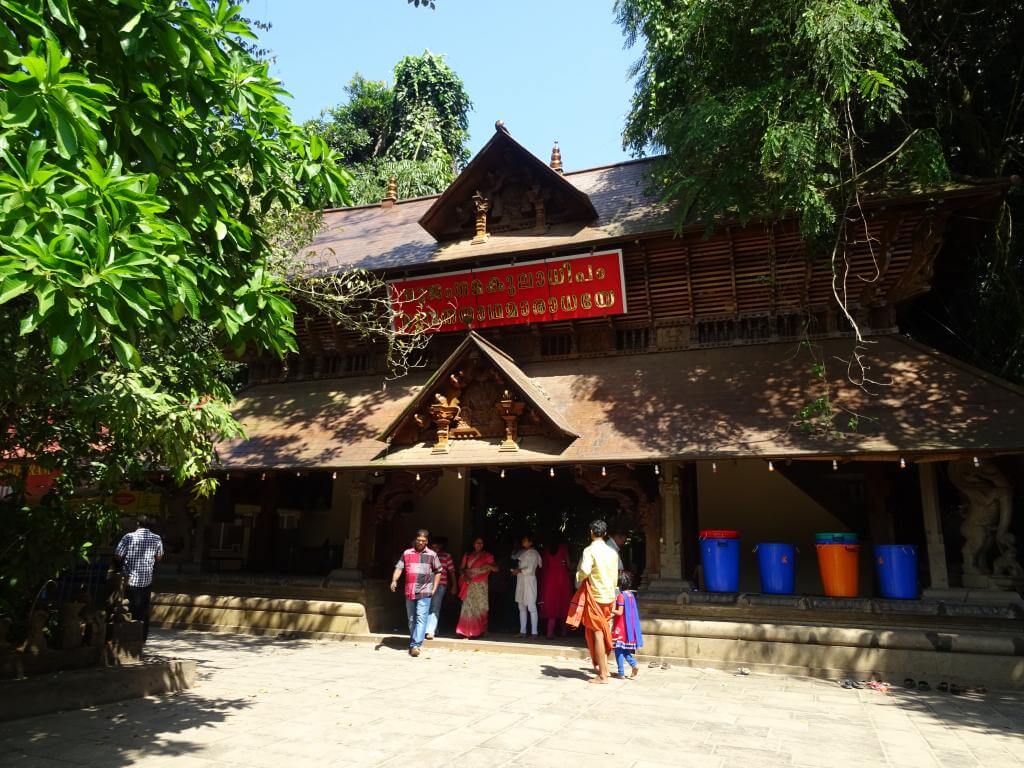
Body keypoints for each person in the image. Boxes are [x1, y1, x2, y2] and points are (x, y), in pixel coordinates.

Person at [567, 519, 619, 683]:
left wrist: (578, 577)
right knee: (604, 632)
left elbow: (584, 570)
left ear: (591, 532)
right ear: (605, 533)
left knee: (597, 633)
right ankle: (606, 669)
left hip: (595, 596)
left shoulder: (589, 551)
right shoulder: (612, 552)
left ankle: (603, 675)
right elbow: (615, 578)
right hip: (609, 596)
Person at [390, 529, 442, 657]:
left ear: (427, 542)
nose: (420, 542)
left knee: (421, 618)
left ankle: (416, 645)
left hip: (425, 592)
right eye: (419, 540)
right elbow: (399, 568)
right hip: (410, 591)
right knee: (412, 619)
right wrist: (394, 580)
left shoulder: (432, 555)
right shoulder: (407, 553)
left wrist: (434, 588)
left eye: (423, 541)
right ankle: (414, 641)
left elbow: (438, 571)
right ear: (415, 539)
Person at [114, 515, 164, 643]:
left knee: (129, 608)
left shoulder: (128, 537)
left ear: (137, 523)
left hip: (130, 579)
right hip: (146, 579)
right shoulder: (156, 538)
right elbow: (159, 557)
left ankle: (128, 638)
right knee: (144, 609)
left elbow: (118, 555)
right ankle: (142, 638)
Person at [456, 537, 497, 638]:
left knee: (480, 607)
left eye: (481, 543)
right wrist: (464, 577)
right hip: (469, 583)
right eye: (477, 543)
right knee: (468, 607)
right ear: (473, 544)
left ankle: (478, 631)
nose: (479, 545)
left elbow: (496, 568)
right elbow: (461, 569)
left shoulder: (487, 556)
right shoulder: (468, 555)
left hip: (481, 585)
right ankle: (464, 631)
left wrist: (489, 566)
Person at [611, 571, 644, 679]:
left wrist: (611, 609)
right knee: (624, 650)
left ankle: (621, 673)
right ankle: (634, 664)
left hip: (620, 627)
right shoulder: (630, 595)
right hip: (628, 628)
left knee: (618, 650)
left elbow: (620, 612)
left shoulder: (621, 596)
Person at [539, 534, 573, 638]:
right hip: (562, 578)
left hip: (550, 579)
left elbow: (544, 566)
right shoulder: (563, 548)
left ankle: (550, 632)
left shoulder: (547, 550)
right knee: (563, 602)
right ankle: (563, 632)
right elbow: (569, 564)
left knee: (551, 603)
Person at [426, 536, 457, 640]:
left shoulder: (446, 556)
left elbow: (452, 571)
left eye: (438, 546)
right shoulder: (427, 555)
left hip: (441, 584)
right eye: (434, 546)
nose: (436, 548)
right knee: (427, 606)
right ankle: (431, 629)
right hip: (427, 584)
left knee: (435, 607)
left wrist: (454, 585)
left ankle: (430, 631)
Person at [511, 534, 542, 638]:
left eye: (525, 540)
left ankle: (534, 632)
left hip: (529, 581)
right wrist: (516, 570)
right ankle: (522, 631)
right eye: (523, 540)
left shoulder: (533, 553)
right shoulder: (523, 553)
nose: (523, 542)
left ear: (530, 542)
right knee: (521, 606)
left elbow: (530, 569)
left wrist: (518, 570)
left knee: (531, 606)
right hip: (521, 581)